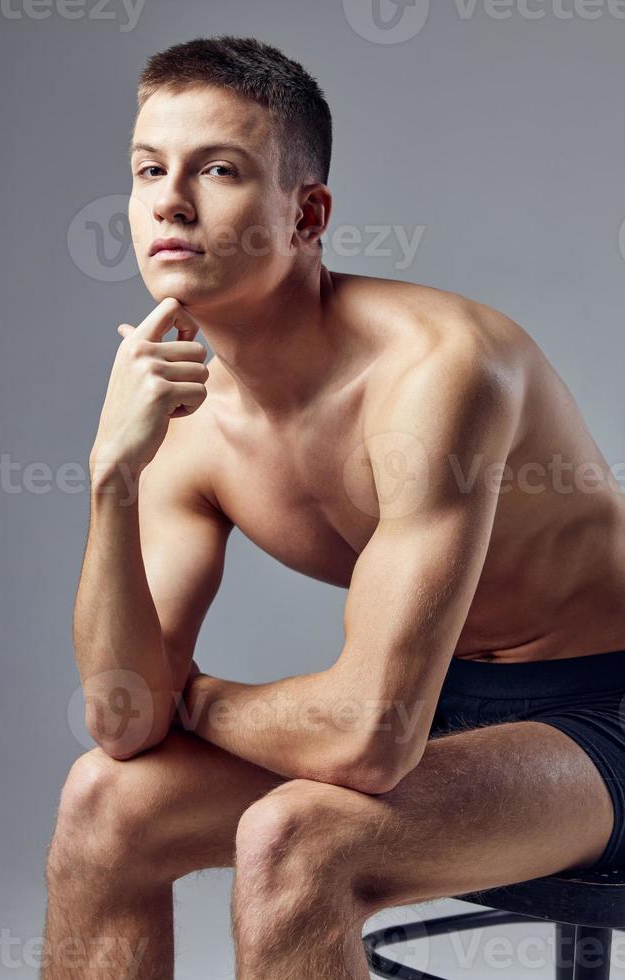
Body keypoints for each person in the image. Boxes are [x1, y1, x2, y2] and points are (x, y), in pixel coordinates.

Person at [41, 35, 625, 980]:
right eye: (149, 168)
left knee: (296, 839)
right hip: (443, 712)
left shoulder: (438, 369)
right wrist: (111, 474)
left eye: (218, 169)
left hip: (604, 713)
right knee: (103, 803)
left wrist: (194, 700)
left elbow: (365, 737)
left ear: (307, 212)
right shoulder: (180, 423)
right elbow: (120, 721)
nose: (169, 201)